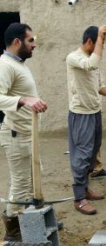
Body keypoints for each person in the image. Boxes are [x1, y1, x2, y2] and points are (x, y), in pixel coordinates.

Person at [0, 23, 48, 241]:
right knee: (20, 186)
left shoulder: (18, 64)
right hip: (16, 135)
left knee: (31, 182)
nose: (34, 45)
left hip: (28, 135)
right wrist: (23, 100)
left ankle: (31, 225)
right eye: (31, 41)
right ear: (17, 42)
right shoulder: (5, 65)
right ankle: (14, 232)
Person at [66, 25, 106, 215]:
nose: (101, 47)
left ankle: (85, 189)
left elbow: (98, 86)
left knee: (92, 153)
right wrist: (101, 37)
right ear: (90, 41)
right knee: (82, 155)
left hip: (94, 112)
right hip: (81, 114)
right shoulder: (75, 58)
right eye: (98, 43)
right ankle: (79, 199)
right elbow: (92, 64)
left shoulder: (92, 61)